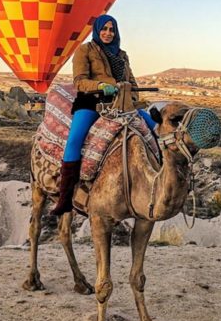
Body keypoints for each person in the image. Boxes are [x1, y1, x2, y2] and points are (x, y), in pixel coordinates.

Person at [50, 14, 156, 216]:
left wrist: (131, 95)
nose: (108, 33)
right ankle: (65, 198)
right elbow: (79, 81)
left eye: (111, 29)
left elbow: (131, 82)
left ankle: (161, 179)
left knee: (157, 129)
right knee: (74, 141)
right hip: (91, 102)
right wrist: (101, 86)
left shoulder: (122, 55)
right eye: (104, 29)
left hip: (121, 104)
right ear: (97, 30)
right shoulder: (85, 50)